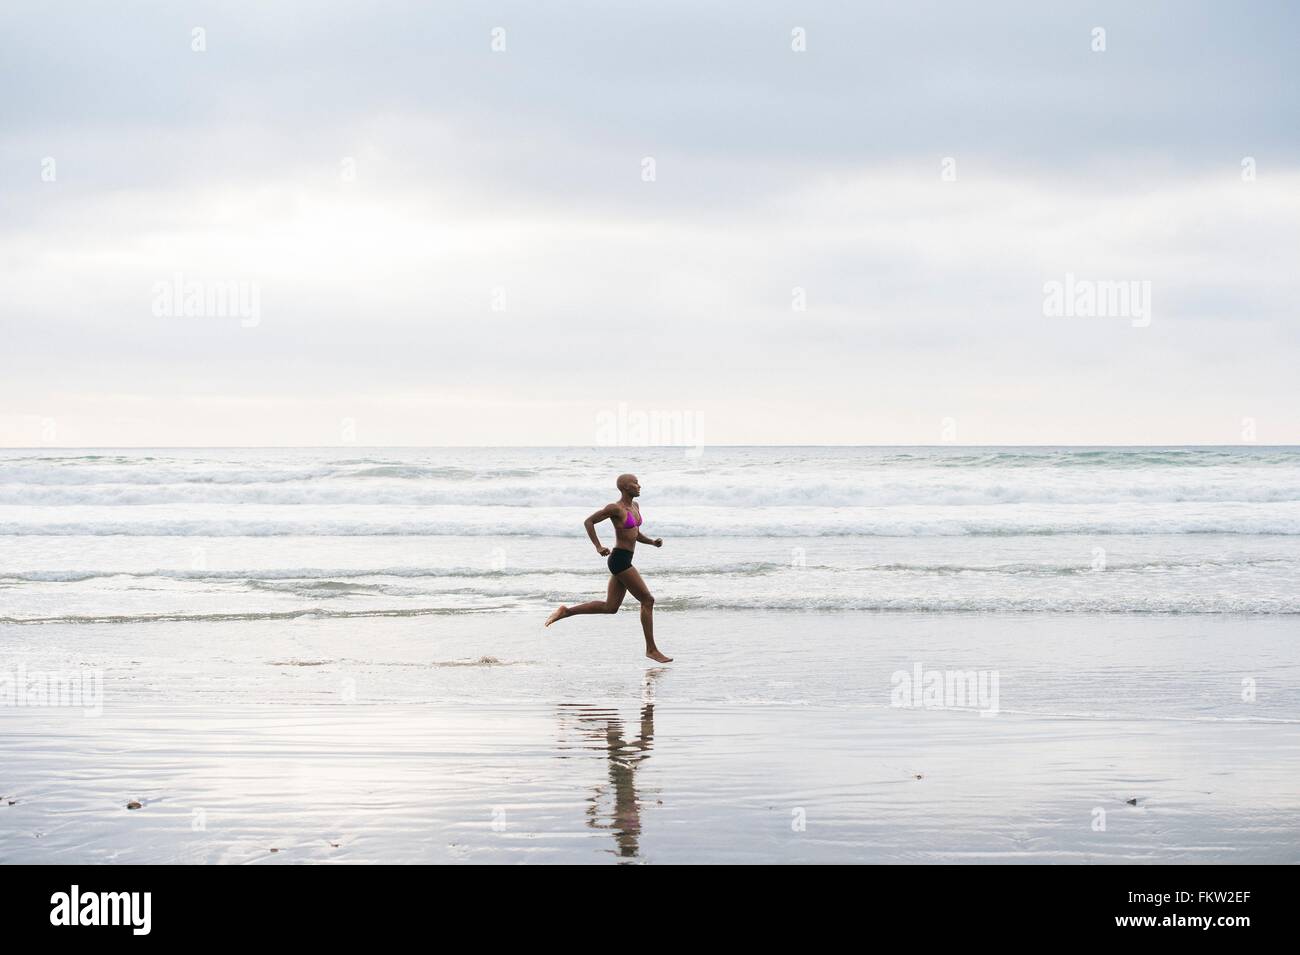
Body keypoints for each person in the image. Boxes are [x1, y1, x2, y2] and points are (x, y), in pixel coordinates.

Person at [545, 473, 672, 662]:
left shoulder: (635, 507)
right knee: (647, 600)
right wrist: (598, 546)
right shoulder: (615, 508)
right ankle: (651, 649)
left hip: (624, 559)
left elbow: (634, 533)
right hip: (619, 560)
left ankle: (566, 611)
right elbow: (589, 522)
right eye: (634, 483)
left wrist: (652, 542)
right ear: (624, 488)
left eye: (638, 482)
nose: (639, 486)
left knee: (610, 607)